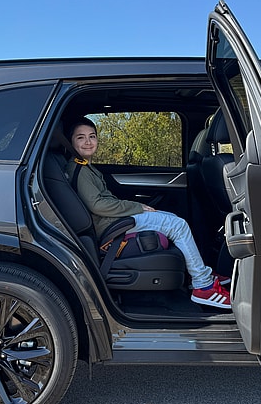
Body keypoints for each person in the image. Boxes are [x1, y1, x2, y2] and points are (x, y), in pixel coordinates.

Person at [65, 117, 231, 309]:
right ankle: (204, 286)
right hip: (110, 226)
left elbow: (105, 202)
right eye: (81, 138)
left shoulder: (86, 167)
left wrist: (135, 205)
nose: (88, 142)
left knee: (174, 219)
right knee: (178, 225)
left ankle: (199, 273)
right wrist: (137, 207)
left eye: (92, 136)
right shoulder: (79, 170)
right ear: (71, 142)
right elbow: (98, 206)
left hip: (113, 219)